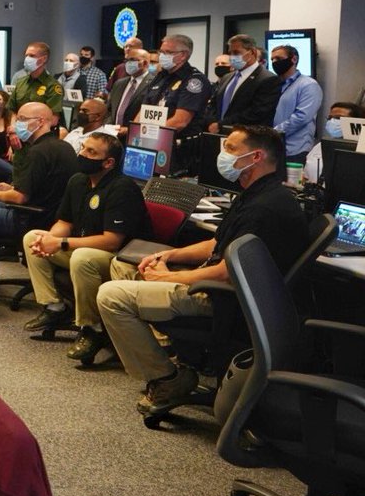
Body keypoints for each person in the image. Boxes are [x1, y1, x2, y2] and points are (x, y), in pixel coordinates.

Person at [97, 125, 308, 414]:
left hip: (223, 299)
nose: (222, 154)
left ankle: (168, 378)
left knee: (111, 296)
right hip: (216, 284)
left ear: (256, 156)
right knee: (123, 265)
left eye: (231, 149)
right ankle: (174, 352)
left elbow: (226, 272)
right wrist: (169, 254)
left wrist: (170, 277)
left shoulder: (266, 208)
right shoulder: (255, 193)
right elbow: (216, 243)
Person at [21, 132, 147, 354]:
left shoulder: (122, 188)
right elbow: (64, 222)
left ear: (108, 163)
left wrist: (60, 244)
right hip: (85, 248)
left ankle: (92, 328)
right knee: (34, 237)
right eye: (83, 148)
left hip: (119, 258)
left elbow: (111, 241)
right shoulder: (78, 181)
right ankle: (54, 307)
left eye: (91, 152)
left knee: (81, 256)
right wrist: (49, 240)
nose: (82, 154)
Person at [0, 102, 78, 291]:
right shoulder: (64, 147)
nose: (15, 125)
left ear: (40, 122)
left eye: (22, 119)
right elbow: (40, 185)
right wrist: (9, 188)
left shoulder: (38, 152)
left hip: (31, 218)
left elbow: (20, 197)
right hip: (53, 216)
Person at [139, 33, 211, 140]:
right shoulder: (160, 76)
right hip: (150, 139)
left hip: (179, 145)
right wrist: (136, 134)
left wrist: (149, 135)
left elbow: (180, 122)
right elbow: (143, 111)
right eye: (161, 52)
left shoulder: (194, 80)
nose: (162, 56)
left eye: (168, 52)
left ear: (183, 55)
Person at [206, 34, 280, 131]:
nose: (232, 57)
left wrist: (221, 124)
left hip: (247, 137)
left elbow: (257, 113)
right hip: (217, 134)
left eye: (236, 52)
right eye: (230, 53)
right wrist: (211, 121)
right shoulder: (226, 77)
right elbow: (214, 104)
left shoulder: (268, 79)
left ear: (252, 52)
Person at [270, 44, 323, 165]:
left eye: (278, 58)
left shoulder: (308, 85)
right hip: (273, 147)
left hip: (295, 150)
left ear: (294, 59)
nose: (274, 62)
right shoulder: (275, 84)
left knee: (290, 184)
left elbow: (301, 117)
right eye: (272, 59)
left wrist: (273, 132)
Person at [304, 101, 365, 182]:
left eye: (338, 118)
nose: (332, 121)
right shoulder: (321, 146)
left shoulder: (361, 149)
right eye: (330, 118)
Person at [106, 48, 151, 131]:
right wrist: (109, 126)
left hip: (136, 135)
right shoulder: (119, 83)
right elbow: (109, 109)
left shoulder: (153, 84)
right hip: (113, 134)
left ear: (145, 63)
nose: (128, 63)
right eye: (126, 60)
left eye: (132, 60)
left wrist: (129, 130)